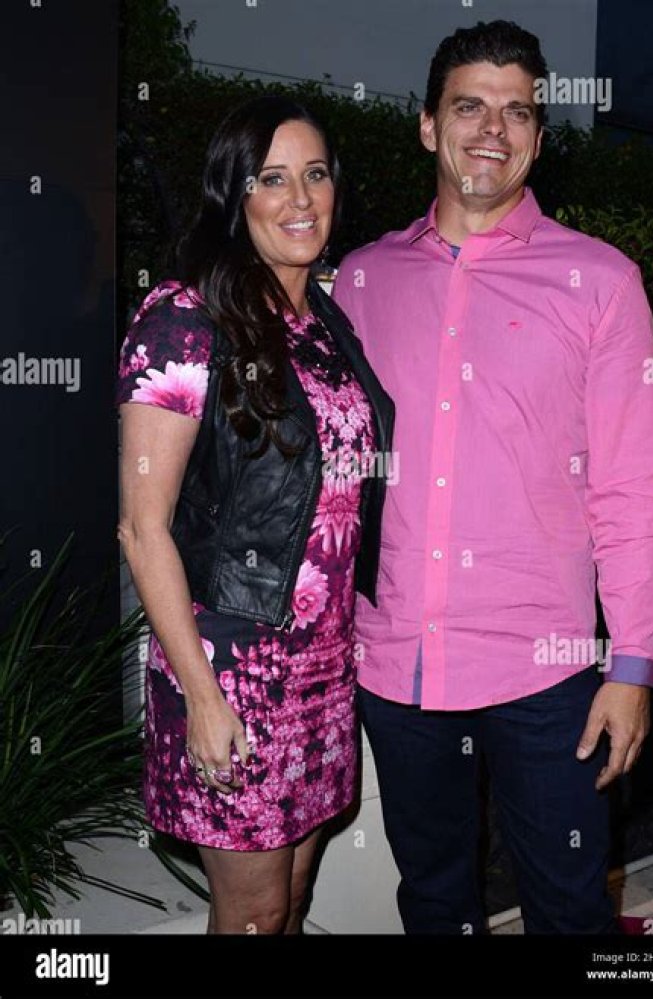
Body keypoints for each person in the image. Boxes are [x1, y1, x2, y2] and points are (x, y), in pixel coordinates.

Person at [332, 20, 653, 934]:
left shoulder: (602, 282)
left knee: (569, 909)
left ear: (538, 136)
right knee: (434, 902)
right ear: (427, 125)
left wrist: (633, 664)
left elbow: (633, 491)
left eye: (517, 112)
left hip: (546, 673)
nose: (493, 129)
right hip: (396, 662)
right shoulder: (360, 281)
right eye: (469, 106)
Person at [115, 95, 394, 935]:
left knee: (293, 900)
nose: (300, 199)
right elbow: (142, 527)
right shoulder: (183, 317)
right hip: (232, 666)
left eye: (315, 174)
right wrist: (202, 696)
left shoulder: (325, 322)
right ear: (233, 194)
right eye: (271, 179)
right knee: (253, 913)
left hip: (324, 666)